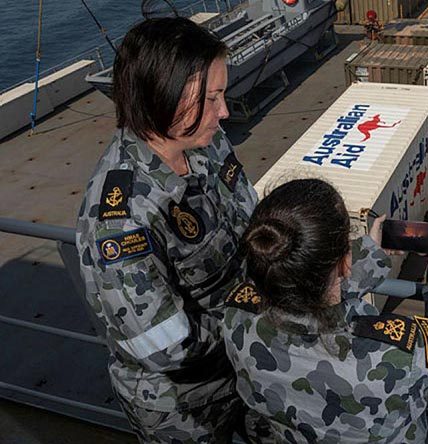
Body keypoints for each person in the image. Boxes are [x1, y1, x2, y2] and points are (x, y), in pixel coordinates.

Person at [75, 17, 260, 443]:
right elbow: (163, 344)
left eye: (222, 94)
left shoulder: (207, 141)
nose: (225, 111)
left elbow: (247, 216)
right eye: (211, 98)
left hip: (244, 371)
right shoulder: (119, 219)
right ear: (163, 95)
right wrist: (261, 324)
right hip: (182, 405)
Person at [221, 178, 428, 443]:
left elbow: (304, 284)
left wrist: (369, 254)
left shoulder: (237, 318)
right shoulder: (393, 355)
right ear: (345, 263)